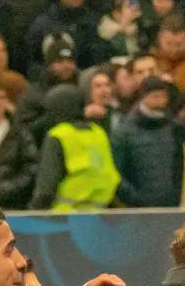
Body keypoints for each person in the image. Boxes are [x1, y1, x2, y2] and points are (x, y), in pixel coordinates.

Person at [30, 81, 121, 209]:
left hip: (64, 220)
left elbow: (46, 187)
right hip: (101, 217)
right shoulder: (98, 132)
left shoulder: (59, 135)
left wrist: (33, 215)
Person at [113, 77, 185, 207]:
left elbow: (179, 165)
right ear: (143, 97)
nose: (159, 101)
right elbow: (116, 171)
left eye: (162, 96)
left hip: (170, 205)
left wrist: (176, 194)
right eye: (154, 96)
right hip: (137, 207)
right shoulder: (125, 130)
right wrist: (134, 198)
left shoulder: (174, 127)